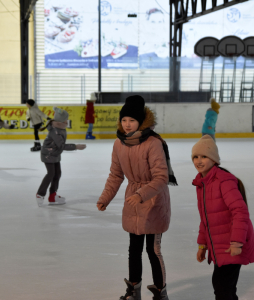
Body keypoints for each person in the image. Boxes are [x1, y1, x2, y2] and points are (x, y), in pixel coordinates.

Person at [97, 95, 177, 300]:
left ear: (141, 122)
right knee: (134, 248)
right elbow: (116, 175)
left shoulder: (152, 143)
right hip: (133, 200)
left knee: (153, 249)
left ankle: (160, 291)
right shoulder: (119, 144)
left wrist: (141, 194)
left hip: (154, 201)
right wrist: (105, 197)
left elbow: (161, 177)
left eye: (131, 120)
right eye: (124, 120)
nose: (127, 124)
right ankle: (134, 290)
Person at [192, 135, 254, 300]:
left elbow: (240, 212)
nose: (199, 160)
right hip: (220, 246)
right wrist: (202, 245)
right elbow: (206, 218)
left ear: (214, 160)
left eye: (204, 156)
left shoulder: (223, 181)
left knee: (223, 289)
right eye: (195, 157)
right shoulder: (203, 184)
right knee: (222, 287)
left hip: (232, 246)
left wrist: (237, 243)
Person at [36, 107, 86, 206]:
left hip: (54, 154)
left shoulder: (60, 127)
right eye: (66, 119)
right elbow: (61, 145)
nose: (67, 121)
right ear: (61, 120)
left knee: (57, 173)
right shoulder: (55, 131)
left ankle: (52, 196)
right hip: (48, 154)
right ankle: (40, 194)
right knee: (51, 174)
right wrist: (76, 146)